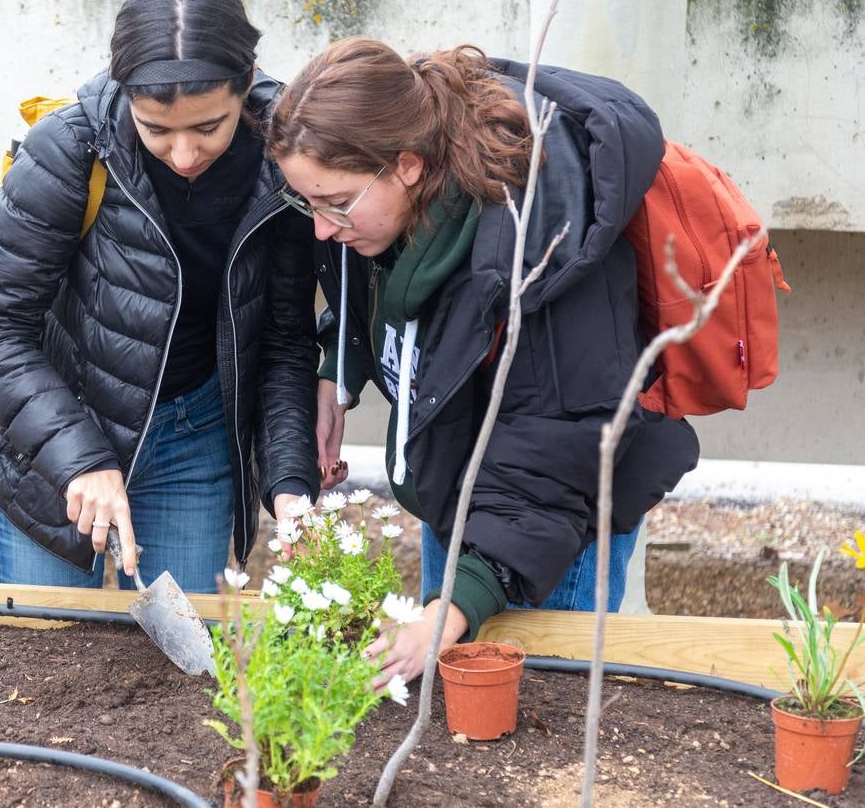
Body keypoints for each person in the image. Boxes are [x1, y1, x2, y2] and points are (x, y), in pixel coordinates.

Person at [266, 39, 699, 682]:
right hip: (466, 493)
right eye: (309, 204)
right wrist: (339, 369)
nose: (323, 229)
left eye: (337, 204)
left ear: (407, 166)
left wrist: (452, 607)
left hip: (558, 529)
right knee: (459, 706)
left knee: (540, 719)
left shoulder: (536, 245)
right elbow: (385, 309)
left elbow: (561, 442)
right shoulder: (391, 214)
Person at [0, 0, 318, 593]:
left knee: (181, 671)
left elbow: (283, 340)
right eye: (157, 130)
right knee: (44, 658)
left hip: (194, 440)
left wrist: (288, 484)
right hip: (50, 441)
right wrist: (81, 460)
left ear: (246, 83)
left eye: (209, 127)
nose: (183, 154)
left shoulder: (284, 159)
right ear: (125, 94)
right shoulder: (67, 150)